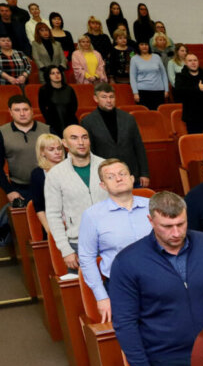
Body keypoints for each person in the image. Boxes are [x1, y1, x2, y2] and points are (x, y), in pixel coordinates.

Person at [110, 191, 203, 366]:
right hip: (165, 359)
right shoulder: (128, 261)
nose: (176, 233)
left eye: (181, 224)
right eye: (167, 226)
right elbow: (125, 322)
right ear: (151, 220)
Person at [77, 158, 152, 322]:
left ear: (132, 179)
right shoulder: (92, 215)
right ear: (103, 186)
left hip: (160, 280)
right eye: (110, 177)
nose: (119, 179)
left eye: (122, 174)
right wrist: (101, 297)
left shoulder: (153, 206)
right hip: (122, 288)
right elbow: (86, 258)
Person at [44, 125, 106, 270]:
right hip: (78, 245)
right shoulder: (55, 174)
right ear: (64, 143)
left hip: (110, 241)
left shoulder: (106, 166)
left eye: (84, 137)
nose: (81, 142)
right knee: (85, 292)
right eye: (74, 138)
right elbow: (53, 215)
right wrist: (66, 250)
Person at [80, 83, 150, 186]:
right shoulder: (87, 121)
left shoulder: (128, 119)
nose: (109, 100)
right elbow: (90, 152)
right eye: (104, 97)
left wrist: (144, 173)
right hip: (106, 177)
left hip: (131, 174)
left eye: (111, 97)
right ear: (96, 98)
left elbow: (139, 146)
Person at [2, 94, 50, 204]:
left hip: (49, 185)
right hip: (20, 189)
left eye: (25, 109)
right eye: (17, 110)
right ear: (10, 112)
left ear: (32, 110)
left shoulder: (47, 129)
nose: (22, 114)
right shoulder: (2, 133)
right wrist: (9, 191)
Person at [26, 132, 65, 230]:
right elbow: (39, 207)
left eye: (59, 148)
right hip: (53, 224)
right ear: (42, 152)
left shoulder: (71, 168)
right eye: (51, 149)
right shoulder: (37, 174)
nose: (57, 152)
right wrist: (49, 231)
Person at [175, 54, 203, 134]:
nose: (193, 63)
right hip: (192, 117)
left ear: (198, 62)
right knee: (195, 142)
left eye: (195, 60)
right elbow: (179, 93)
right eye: (190, 61)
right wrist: (197, 88)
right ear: (185, 63)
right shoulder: (181, 76)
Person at [127, 41, 168, 109]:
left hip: (158, 91)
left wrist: (166, 90)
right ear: (138, 46)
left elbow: (163, 74)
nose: (144, 46)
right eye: (142, 44)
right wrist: (135, 93)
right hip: (142, 92)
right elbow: (132, 77)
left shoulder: (157, 57)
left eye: (146, 44)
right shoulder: (134, 59)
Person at [37, 66, 77, 136]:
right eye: (52, 73)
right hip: (53, 125)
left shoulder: (69, 89)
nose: (56, 75)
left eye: (58, 73)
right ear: (48, 76)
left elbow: (74, 106)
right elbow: (42, 108)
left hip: (70, 122)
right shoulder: (44, 90)